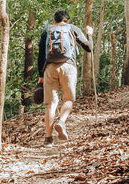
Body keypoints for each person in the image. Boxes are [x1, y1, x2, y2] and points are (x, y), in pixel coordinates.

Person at [37, 10, 92, 146]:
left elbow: (40, 55)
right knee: (68, 99)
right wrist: (89, 34)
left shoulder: (47, 31)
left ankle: (48, 139)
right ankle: (61, 121)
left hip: (49, 68)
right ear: (68, 21)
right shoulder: (72, 29)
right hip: (68, 67)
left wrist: (40, 76)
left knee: (51, 104)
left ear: (54, 20)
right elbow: (88, 47)